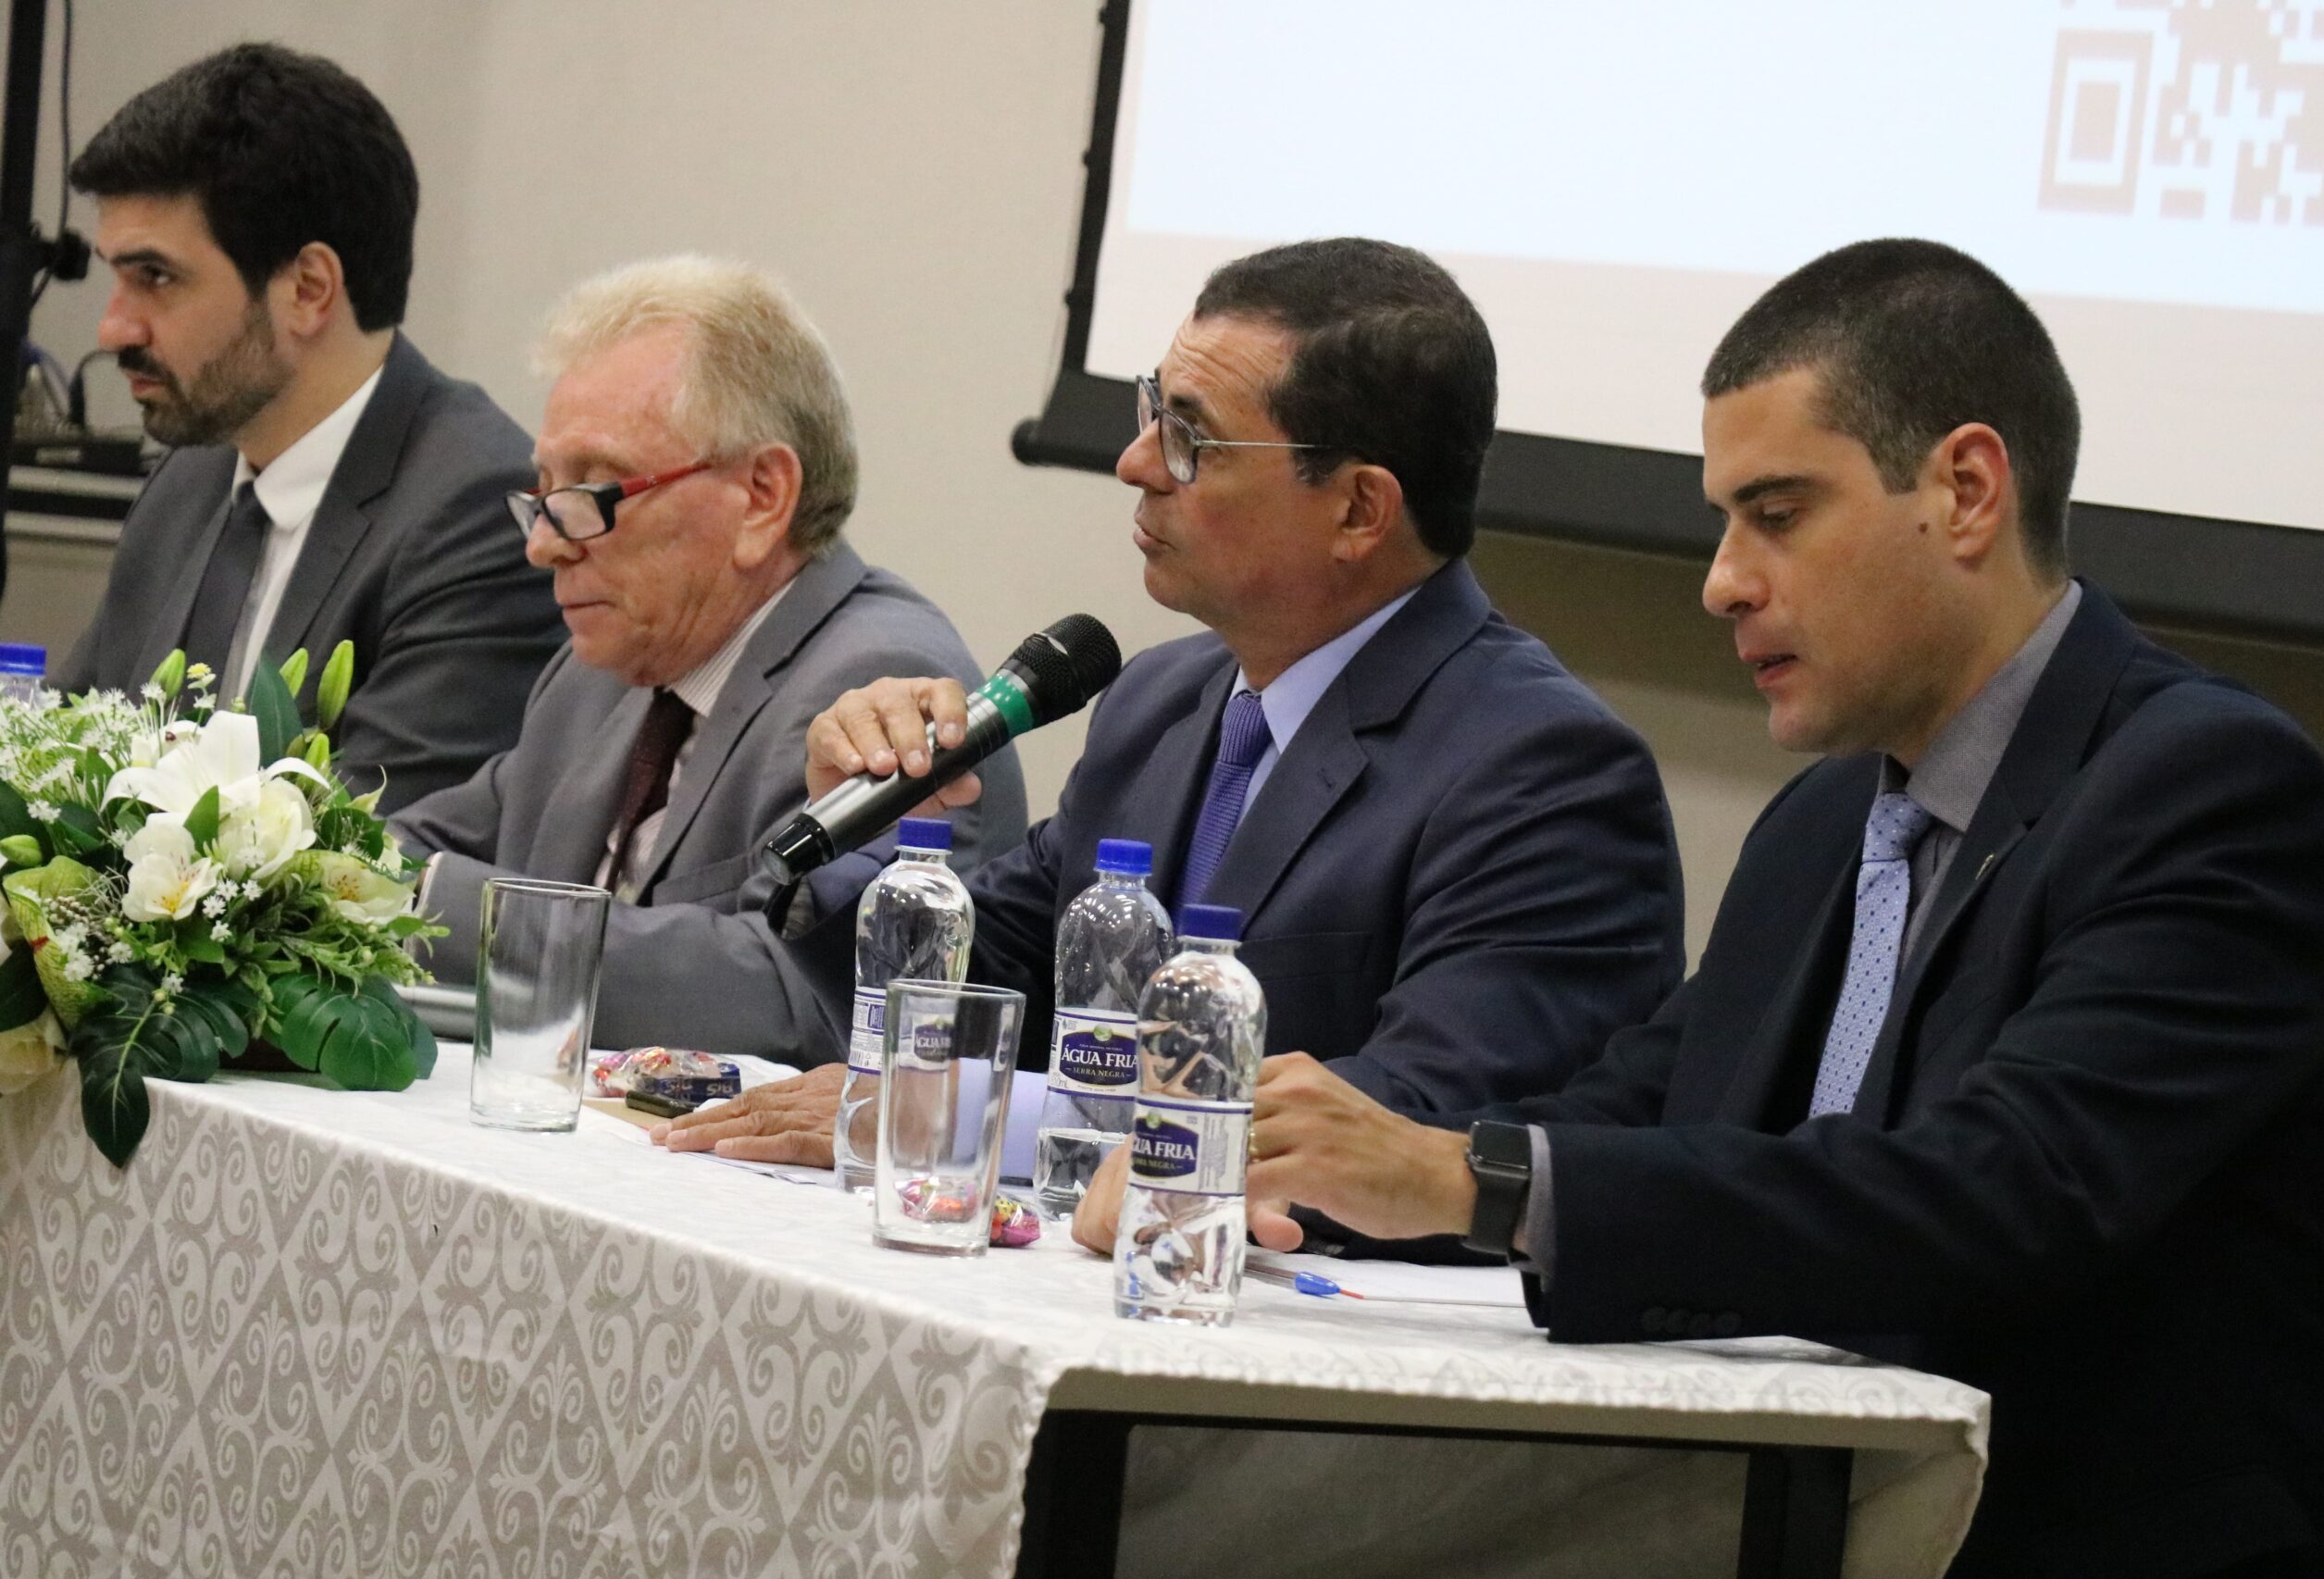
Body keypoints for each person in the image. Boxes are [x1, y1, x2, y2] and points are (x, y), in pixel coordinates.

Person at [1077, 239, 2324, 1579]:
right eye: (1721, 518)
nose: (1722, 580)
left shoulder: (2207, 790)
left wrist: (1467, 1177)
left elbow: (2001, 1190)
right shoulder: (1825, 822)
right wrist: (1308, 1167)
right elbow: (1640, 1108)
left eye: (1780, 512)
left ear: (1968, 490)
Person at [656, 237, 1683, 1164]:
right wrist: (885, 839)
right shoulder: (1160, 699)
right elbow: (987, 977)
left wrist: (977, 1115)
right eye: (1153, 412)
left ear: (1359, 509)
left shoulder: (1545, 773)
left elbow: (1421, 1123)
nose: (1135, 463)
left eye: (1191, 438)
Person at [391, 256, 1025, 1059]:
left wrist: (437, 903)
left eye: (594, 494)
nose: (544, 545)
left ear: (762, 495)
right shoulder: (599, 676)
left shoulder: (878, 687)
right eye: (543, 495)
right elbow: (406, 846)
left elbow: (805, 998)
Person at [55, 44, 564, 811]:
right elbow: (63, 767)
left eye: (154, 277)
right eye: (115, 277)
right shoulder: (189, 478)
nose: (113, 325)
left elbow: (358, 867)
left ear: (309, 288)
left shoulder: (475, 513)